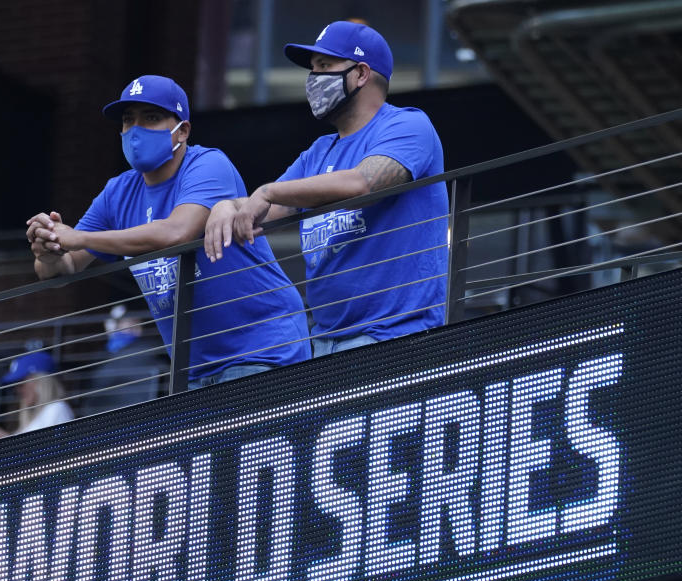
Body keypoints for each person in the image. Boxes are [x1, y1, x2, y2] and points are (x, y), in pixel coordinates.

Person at [27, 75, 310, 388]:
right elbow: (64, 264)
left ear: (183, 131)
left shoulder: (207, 164)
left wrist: (78, 238)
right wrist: (48, 248)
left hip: (263, 348)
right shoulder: (117, 192)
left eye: (151, 117)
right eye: (127, 120)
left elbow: (178, 232)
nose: (136, 130)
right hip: (195, 369)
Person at [203, 21, 449, 357]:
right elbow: (265, 210)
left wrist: (267, 192)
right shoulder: (318, 152)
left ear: (361, 74)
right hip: (324, 342)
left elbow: (363, 183)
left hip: (394, 335)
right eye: (313, 69)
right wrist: (227, 205)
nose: (314, 78)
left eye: (325, 66)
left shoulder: (407, 124)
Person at [0, 351, 73, 446]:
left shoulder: (56, 409)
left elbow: (46, 457)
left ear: (41, 382)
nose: (17, 390)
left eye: (21, 383)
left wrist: (1, 437)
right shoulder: (35, 417)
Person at [81, 305, 168, 416]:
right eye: (127, 321)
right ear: (115, 325)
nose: (134, 325)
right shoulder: (102, 355)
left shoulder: (149, 347)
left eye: (135, 321)